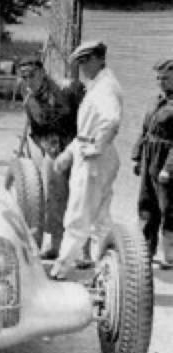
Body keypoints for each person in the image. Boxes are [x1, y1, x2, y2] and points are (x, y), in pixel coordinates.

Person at [50, 41, 123, 280]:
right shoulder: (98, 84)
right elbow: (86, 131)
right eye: (80, 63)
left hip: (95, 158)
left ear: (99, 60)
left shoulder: (105, 87)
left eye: (85, 61)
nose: (82, 67)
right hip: (92, 151)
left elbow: (111, 121)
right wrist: (69, 153)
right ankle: (104, 269)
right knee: (100, 217)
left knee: (78, 214)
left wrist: (95, 147)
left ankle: (61, 267)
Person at [18, 56, 84, 259]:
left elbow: (85, 117)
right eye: (24, 77)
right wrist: (47, 148)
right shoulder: (30, 102)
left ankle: (84, 251)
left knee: (80, 198)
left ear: (42, 72)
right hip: (53, 154)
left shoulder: (66, 90)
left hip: (76, 151)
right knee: (53, 201)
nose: (29, 80)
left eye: (32, 75)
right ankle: (56, 245)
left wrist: (76, 148)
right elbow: (36, 132)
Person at [132, 58, 173, 267]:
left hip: (167, 158)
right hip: (150, 156)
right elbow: (144, 129)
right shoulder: (155, 101)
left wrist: (169, 169)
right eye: (158, 78)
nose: (161, 82)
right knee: (146, 204)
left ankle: (170, 255)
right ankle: (146, 250)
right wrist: (138, 157)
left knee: (169, 208)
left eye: (165, 78)